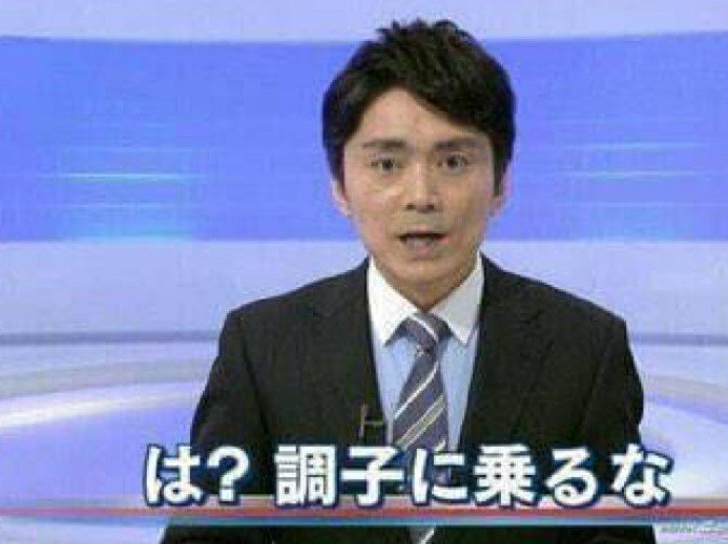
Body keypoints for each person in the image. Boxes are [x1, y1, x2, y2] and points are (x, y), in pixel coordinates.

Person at [161, 18, 655, 544]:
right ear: (340, 185)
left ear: (501, 183)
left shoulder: (585, 350)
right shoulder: (261, 349)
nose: (421, 196)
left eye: (453, 161)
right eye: (387, 164)